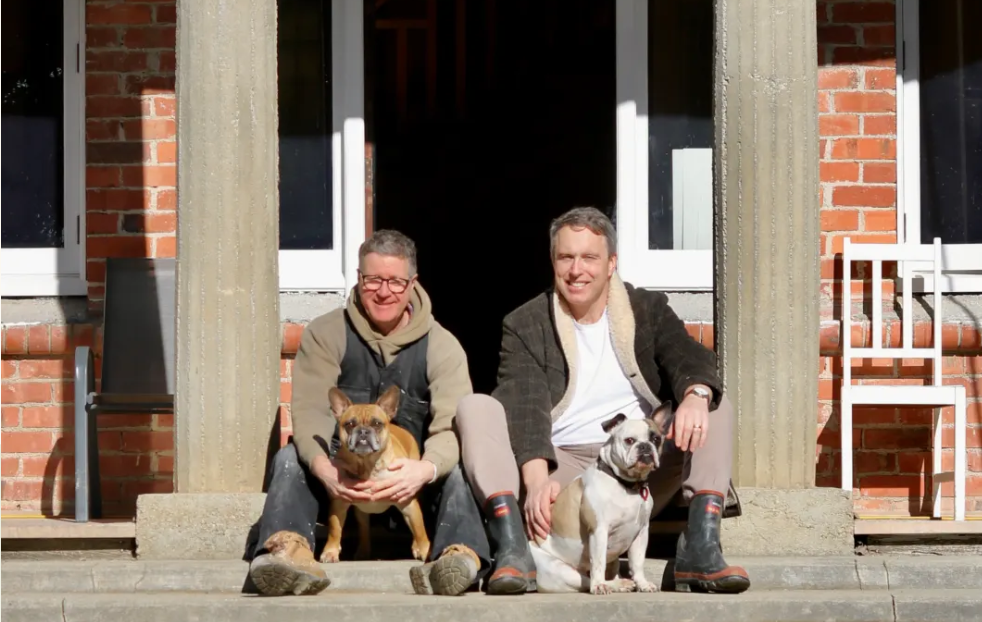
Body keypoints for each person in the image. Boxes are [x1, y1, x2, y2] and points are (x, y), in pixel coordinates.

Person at [455, 207, 751, 594]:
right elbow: (521, 398)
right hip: (564, 468)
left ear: (611, 263)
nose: (577, 269)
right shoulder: (525, 322)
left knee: (712, 404)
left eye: (589, 257)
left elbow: (688, 355)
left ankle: (701, 547)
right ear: (553, 261)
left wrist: (696, 394)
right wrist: (537, 478)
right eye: (566, 257)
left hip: (641, 463)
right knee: (475, 407)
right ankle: (514, 550)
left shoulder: (647, 308)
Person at [246, 230, 494, 597]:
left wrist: (423, 469)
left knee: (460, 466)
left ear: (412, 284)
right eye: (373, 279)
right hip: (340, 469)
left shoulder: (442, 345)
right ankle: (288, 550)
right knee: (289, 458)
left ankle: (457, 557)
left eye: (395, 281)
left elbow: (451, 426)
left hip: (413, 474)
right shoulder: (326, 332)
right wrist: (324, 468)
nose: (383, 291)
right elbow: (311, 411)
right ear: (359, 279)